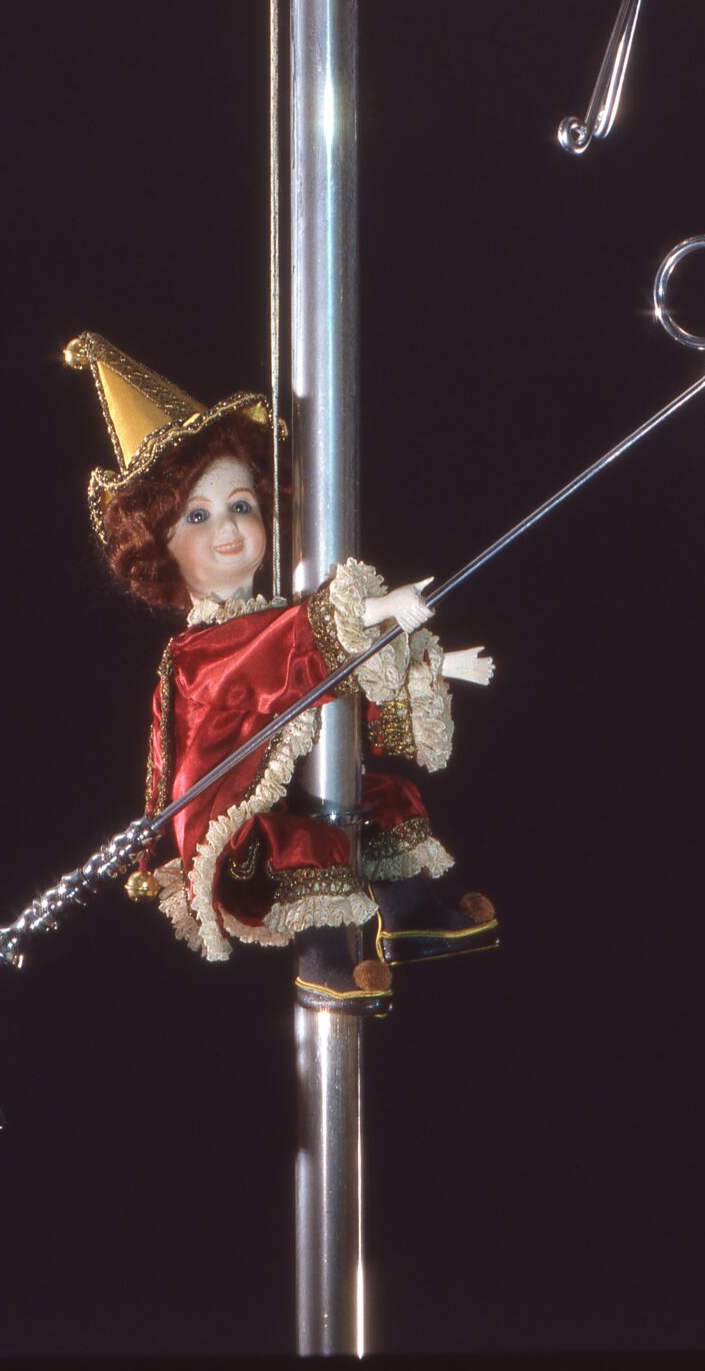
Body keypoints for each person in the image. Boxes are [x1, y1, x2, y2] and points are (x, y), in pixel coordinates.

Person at [67, 331, 498, 1012]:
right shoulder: (203, 648)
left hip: (284, 789)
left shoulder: (268, 617)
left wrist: (436, 662)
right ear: (162, 548)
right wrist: (380, 606)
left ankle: (411, 916)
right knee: (310, 839)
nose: (229, 530)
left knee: (377, 794)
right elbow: (284, 650)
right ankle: (324, 960)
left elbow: (321, 671)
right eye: (199, 516)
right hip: (231, 827)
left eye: (241, 506)